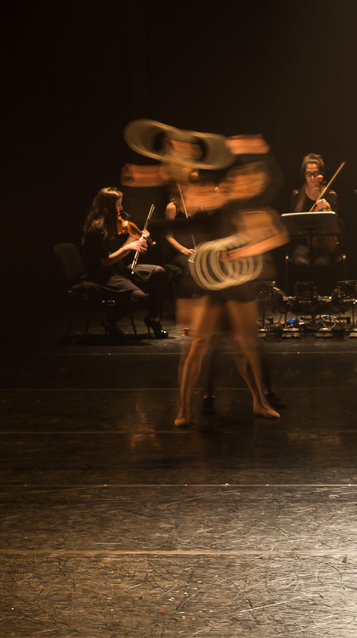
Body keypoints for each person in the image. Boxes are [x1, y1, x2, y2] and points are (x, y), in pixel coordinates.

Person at [170, 136, 289, 426]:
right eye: (237, 180)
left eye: (248, 180)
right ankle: (184, 410)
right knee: (197, 344)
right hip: (211, 285)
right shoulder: (217, 199)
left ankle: (259, 402)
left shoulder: (253, 212)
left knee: (246, 346)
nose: (243, 183)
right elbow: (188, 190)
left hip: (237, 284)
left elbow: (278, 234)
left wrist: (248, 249)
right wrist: (180, 156)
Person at [79, 187, 169, 339]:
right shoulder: (97, 229)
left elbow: (119, 251)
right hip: (103, 276)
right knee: (139, 298)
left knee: (159, 272)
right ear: (108, 206)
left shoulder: (112, 225)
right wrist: (129, 247)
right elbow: (106, 262)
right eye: (118, 204)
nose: (121, 208)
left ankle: (153, 318)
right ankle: (109, 321)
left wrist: (135, 240)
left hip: (118, 269)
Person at [288, 153, 342, 269]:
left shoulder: (330, 195)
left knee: (322, 264)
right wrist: (314, 211)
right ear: (304, 174)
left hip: (324, 246)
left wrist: (329, 211)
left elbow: (336, 226)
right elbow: (294, 226)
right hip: (303, 244)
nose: (312, 178)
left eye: (315, 174)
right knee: (301, 262)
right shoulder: (297, 195)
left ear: (321, 174)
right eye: (308, 174)